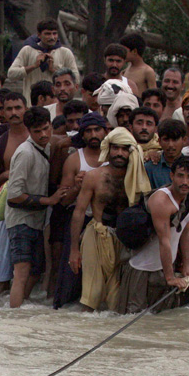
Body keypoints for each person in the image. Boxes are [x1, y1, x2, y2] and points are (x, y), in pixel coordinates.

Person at [68, 127, 142, 312]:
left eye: (125, 149)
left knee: (116, 302)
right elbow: (79, 212)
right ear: (108, 149)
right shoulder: (94, 177)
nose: (119, 153)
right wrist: (74, 250)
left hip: (124, 239)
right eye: (115, 148)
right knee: (91, 295)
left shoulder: (138, 178)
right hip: (97, 234)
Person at [116, 155, 189, 314]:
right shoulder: (161, 200)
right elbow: (164, 241)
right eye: (180, 176)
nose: (185, 182)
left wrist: (186, 267)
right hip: (140, 267)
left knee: (159, 317)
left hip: (164, 265)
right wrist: (170, 278)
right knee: (132, 315)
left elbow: (186, 232)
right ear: (172, 176)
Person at [6, 106, 68, 308]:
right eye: (38, 131)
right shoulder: (25, 153)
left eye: (46, 129)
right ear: (29, 131)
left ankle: (21, 310)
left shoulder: (45, 148)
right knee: (22, 272)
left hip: (35, 222)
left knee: (36, 270)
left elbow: (61, 142)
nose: (44, 134)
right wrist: (48, 201)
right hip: (20, 221)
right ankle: (14, 316)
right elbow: (13, 196)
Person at [50, 111, 108, 308]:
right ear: (82, 135)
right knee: (72, 271)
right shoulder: (75, 160)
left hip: (107, 221)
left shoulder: (115, 156)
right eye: (88, 131)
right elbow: (63, 201)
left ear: (105, 132)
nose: (93, 134)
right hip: (79, 220)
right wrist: (76, 186)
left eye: (97, 130)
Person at [146, 119, 189, 273]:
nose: (170, 145)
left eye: (175, 140)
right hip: (157, 238)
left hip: (187, 238)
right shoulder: (150, 167)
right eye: (166, 140)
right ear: (159, 140)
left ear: (184, 140)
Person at [0, 92, 29, 294]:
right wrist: (7, 173)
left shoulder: (39, 136)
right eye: (9, 109)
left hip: (37, 205)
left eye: (17, 108)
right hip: (7, 209)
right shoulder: (0, 143)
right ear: (3, 112)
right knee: (3, 268)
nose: (13, 113)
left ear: (25, 110)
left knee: (34, 267)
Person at [6, 19, 79, 102]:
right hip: (32, 104)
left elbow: (76, 79)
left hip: (57, 105)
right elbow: (11, 74)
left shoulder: (65, 52)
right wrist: (33, 66)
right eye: (47, 34)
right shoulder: (27, 50)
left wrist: (54, 71)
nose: (52, 37)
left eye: (54, 34)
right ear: (39, 35)